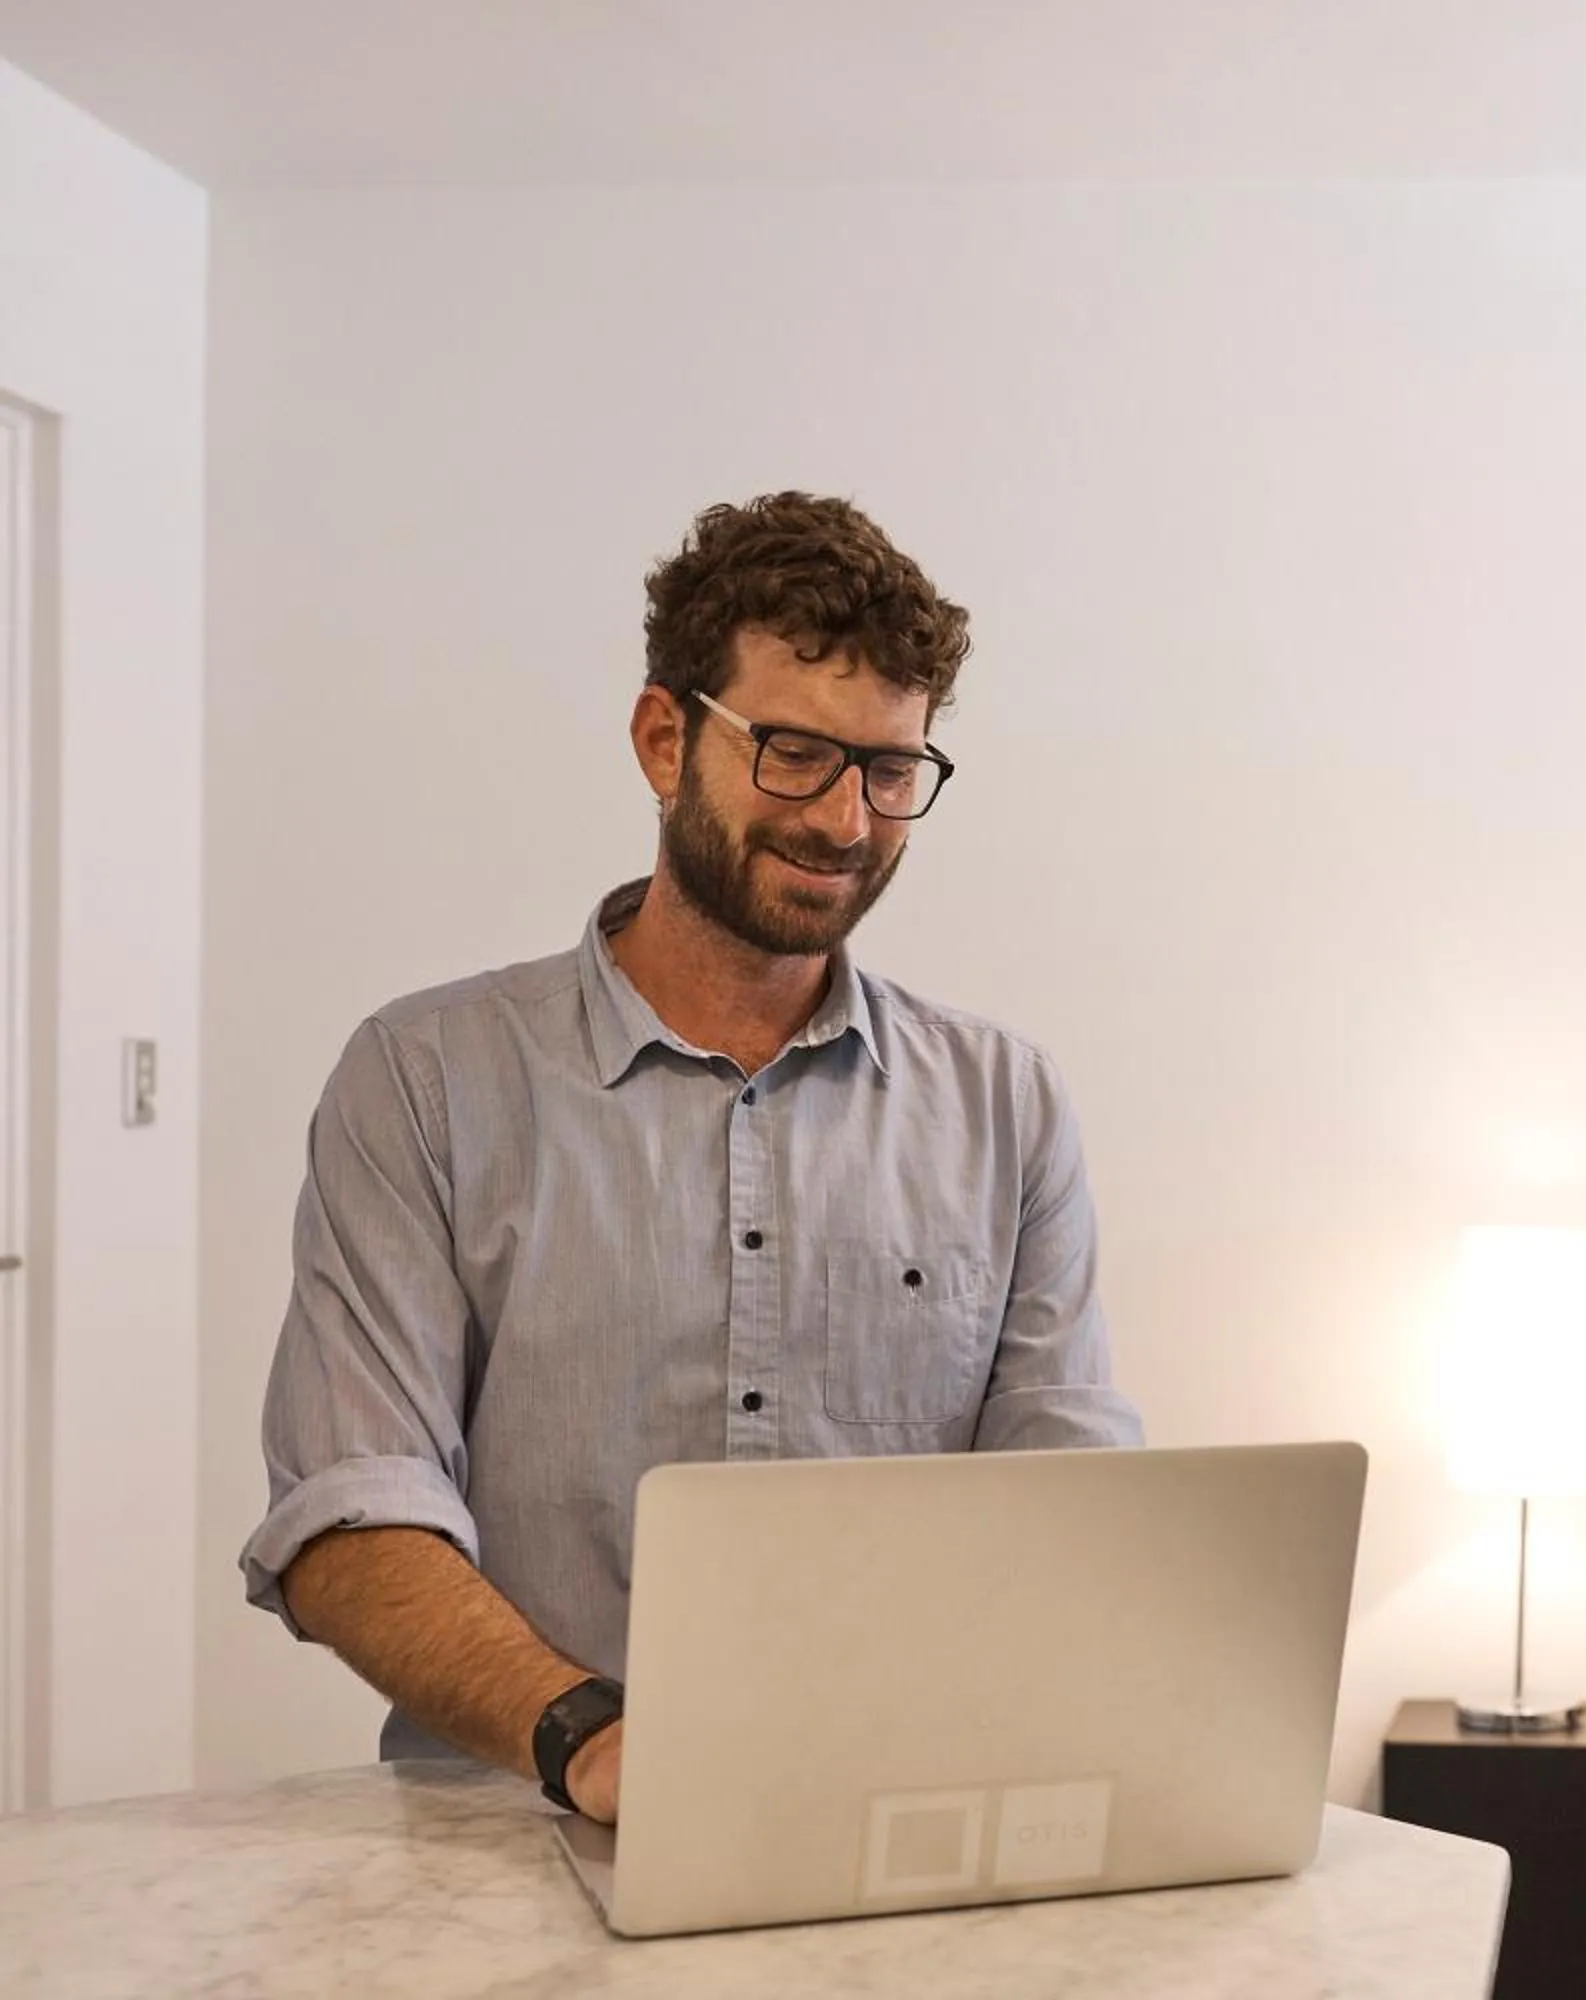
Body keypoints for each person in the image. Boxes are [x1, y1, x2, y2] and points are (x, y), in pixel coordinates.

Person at [239, 492, 1142, 1824]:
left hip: (890, 1833)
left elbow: (1066, 1508)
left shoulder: (1008, 1106)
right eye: (795, 753)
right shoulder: (426, 1081)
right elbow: (351, 1510)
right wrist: (589, 1741)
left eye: (891, 772)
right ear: (666, 740)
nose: (846, 821)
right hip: (512, 1837)